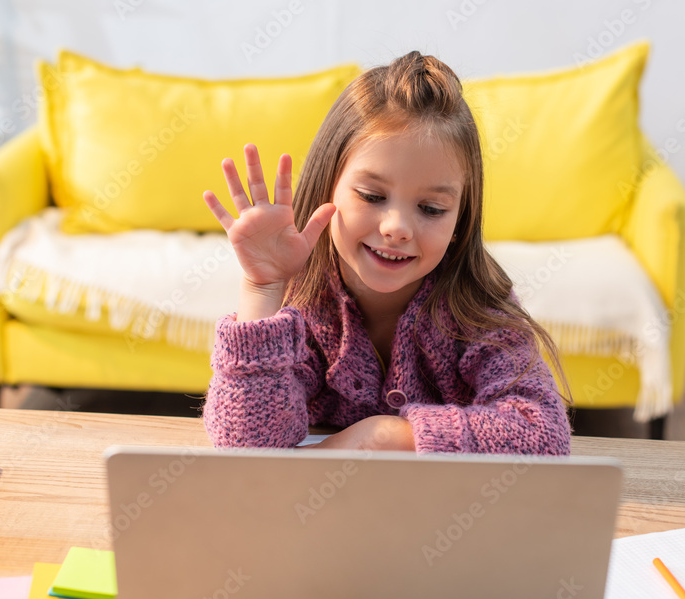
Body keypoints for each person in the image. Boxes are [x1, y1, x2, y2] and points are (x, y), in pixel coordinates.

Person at [201, 51, 570, 455]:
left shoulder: (477, 310)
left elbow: (543, 433)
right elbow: (247, 445)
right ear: (327, 186)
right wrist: (262, 289)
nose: (397, 227)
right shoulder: (300, 309)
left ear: (460, 219)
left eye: (431, 209)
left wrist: (384, 436)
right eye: (372, 196)